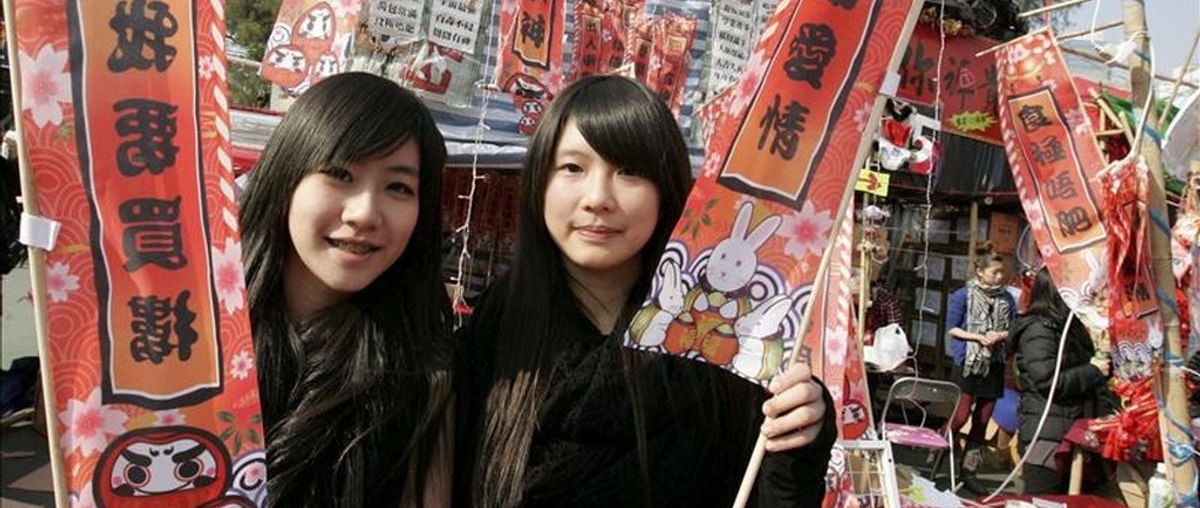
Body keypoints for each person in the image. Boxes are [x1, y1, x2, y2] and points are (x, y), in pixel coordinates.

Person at [455, 75, 836, 508]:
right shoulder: (490, 338)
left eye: (629, 171)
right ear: (540, 181)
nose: (598, 197)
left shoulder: (718, 343)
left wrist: (797, 441)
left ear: (666, 190)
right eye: (573, 168)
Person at [240, 73, 453, 507]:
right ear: (286, 177)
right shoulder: (192, 334)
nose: (365, 213)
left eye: (398, 187)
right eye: (339, 174)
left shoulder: (423, 378)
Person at [1008, 269, 1114, 494]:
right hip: (1047, 434)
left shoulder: (1069, 325)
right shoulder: (1038, 329)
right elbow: (1048, 380)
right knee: (1043, 499)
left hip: (1072, 428)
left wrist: (1105, 364)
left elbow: (1085, 371)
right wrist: (1093, 370)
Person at [945, 244, 1016, 491]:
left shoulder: (1006, 298)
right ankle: (939, 450)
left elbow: (1014, 328)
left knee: (982, 420)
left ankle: (970, 471)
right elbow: (952, 328)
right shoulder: (963, 295)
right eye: (995, 272)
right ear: (980, 272)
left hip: (994, 364)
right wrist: (977, 337)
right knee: (961, 416)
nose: (999, 277)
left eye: (1001, 272)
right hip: (968, 362)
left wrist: (1000, 335)